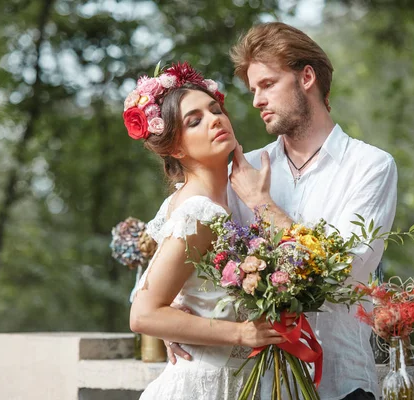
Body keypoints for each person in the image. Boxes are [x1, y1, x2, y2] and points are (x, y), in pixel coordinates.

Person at [168, 22, 397, 400]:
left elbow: (344, 273)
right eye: (253, 89)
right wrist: (176, 306)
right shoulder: (241, 167)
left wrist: (263, 205)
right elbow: (178, 238)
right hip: (255, 385)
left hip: (340, 384)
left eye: (267, 85)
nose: (256, 100)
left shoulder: (371, 166)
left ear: (306, 77)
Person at [126, 62, 288, 400]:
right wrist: (242, 333)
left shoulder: (204, 200)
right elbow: (143, 313)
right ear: (176, 148)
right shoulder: (198, 212)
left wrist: (179, 320)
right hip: (203, 385)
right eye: (194, 121)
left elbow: (168, 292)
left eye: (215, 110)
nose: (215, 119)